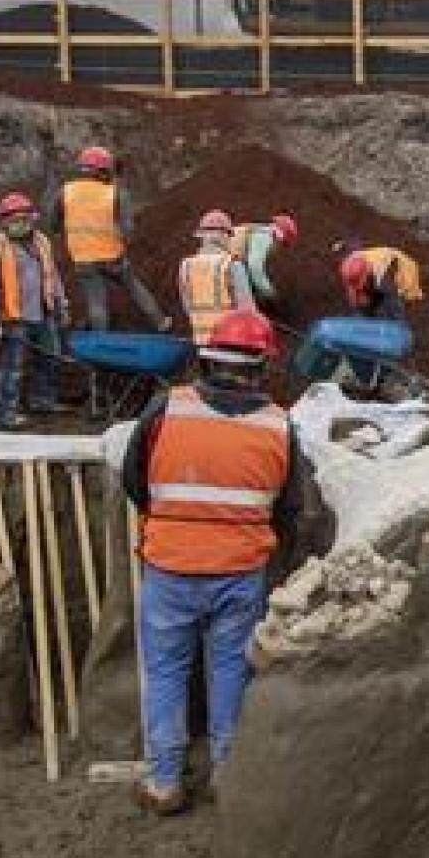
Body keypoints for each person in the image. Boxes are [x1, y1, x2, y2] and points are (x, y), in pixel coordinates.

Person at [120, 312, 319, 816]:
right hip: (239, 570)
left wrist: (171, 517)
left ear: (208, 359)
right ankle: (227, 772)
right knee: (230, 667)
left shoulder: (167, 408)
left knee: (166, 669)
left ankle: (165, 780)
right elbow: (292, 508)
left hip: (170, 564)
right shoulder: (279, 425)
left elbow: (134, 479)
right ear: (261, 366)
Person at [45, 145, 171, 332]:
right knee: (134, 287)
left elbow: (53, 223)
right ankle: (161, 322)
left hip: (83, 258)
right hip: (113, 255)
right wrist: (124, 242)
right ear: (104, 170)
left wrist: (66, 234)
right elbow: (128, 229)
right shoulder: (117, 193)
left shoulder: (65, 192)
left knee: (96, 300)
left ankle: (101, 340)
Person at [0, 192, 70, 429]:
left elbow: (53, 274)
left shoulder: (41, 241)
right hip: (14, 317)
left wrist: (62, 303)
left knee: (50, 357)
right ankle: (5, 413)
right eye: (14, 220)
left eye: (24, 219)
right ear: (4, 222)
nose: (20, 224)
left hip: (43, 311)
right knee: (12, 366)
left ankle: (43, 400)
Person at [177, 210, 253, 346]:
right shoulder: (232, 265)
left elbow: (187, 306)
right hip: (231, 340)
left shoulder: (186, 266)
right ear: (224, 236)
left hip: (201, 342)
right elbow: (247, 310)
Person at [233, 214, 299, 317]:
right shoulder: (264, 237)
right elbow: (255, 267)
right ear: (280, 238)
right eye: (284, 245)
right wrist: (269, 294)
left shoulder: (256, 231)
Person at [338, 243, 424, 322]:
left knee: (390, 303)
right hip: (376, 268)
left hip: (403, 269)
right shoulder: (347, 267)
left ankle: (395, 327)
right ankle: (366, 319)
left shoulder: (383, 276)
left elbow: (392, 300)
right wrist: (356, 305)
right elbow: (352, 290)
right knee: (366, 300)